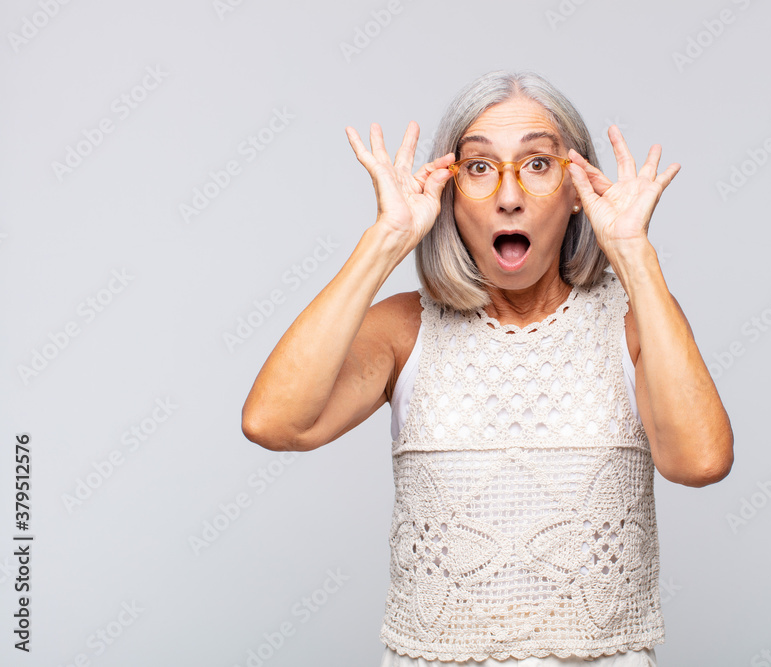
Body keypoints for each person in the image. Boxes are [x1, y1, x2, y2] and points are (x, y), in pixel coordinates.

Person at [241, 69, 734, 666]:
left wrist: (633, 255)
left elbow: (700, 461)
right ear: (449, 194)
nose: (508, 194)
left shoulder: (633, 322)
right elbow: (273, 422)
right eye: (478, 167)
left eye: (537, 164)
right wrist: (387, 238)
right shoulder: (404, 329)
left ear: (578, 188)